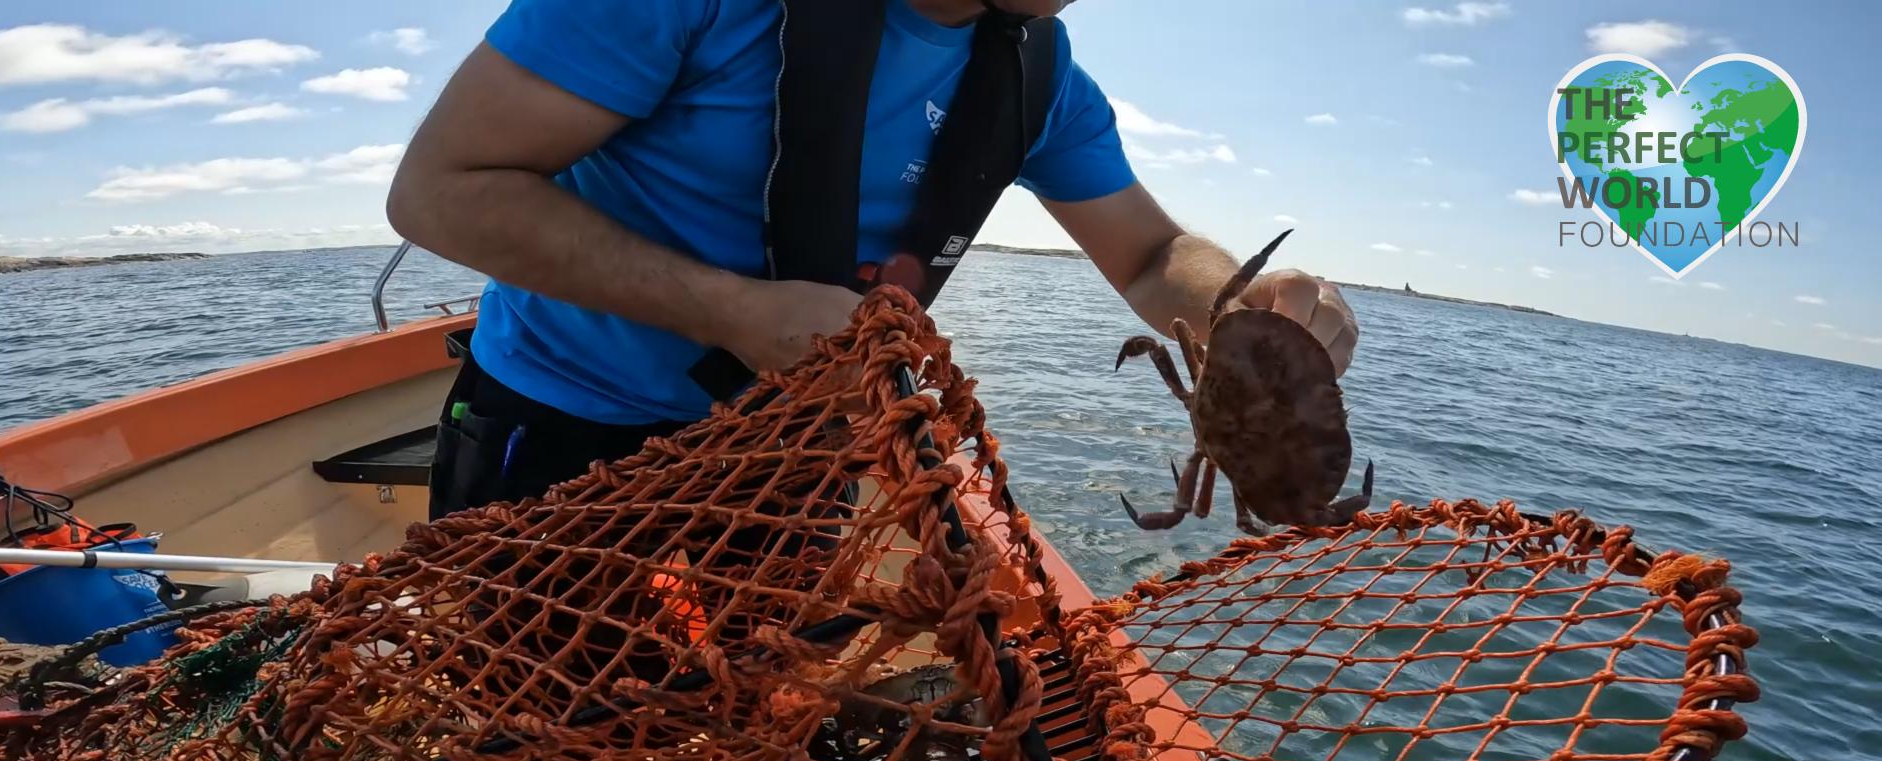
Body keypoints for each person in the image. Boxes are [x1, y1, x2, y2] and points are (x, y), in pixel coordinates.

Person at [389, 0, 1360, 519]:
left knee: (758, 705)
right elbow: (437, 189)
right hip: (563, 424)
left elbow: (1152, 255)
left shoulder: (1042, 81)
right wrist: (724, 309)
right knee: (537, 735)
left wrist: (1239, 300)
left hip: (792, 453)